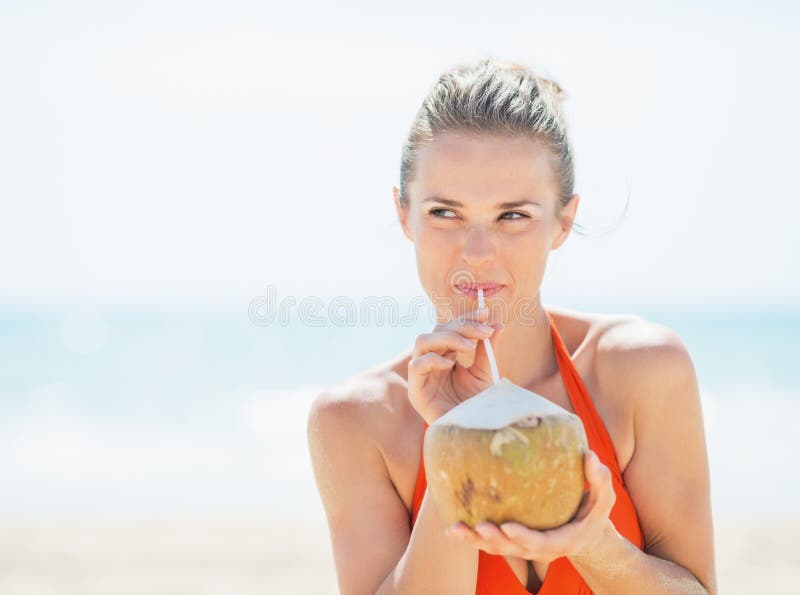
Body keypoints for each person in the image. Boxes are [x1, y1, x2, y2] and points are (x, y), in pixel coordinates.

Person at [307, 57, 717, 594]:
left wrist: (590, 542)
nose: (476, 253)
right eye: (445, 213)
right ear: (404, 214)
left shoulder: (640, 370)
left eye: (513, 216)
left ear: (562, 222)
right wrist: (456, 440)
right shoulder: (357, 421)